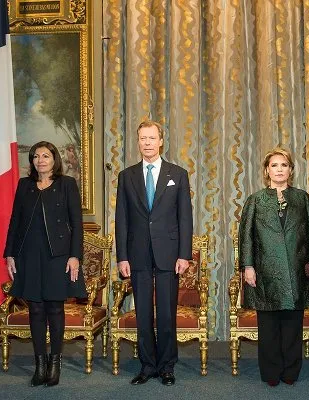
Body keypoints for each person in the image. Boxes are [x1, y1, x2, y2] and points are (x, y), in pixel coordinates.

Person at [238, 147, 309, 387]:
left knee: (292, 324)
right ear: (267, 171)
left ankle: (290, 371)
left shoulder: (301, 198)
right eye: (274, 165)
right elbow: (245, 237)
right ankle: (270, 371)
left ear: (291, 170)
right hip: (264, 271)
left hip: (296, 271)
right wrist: (247, 266)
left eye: (284, 165)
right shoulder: (255, 200)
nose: (279, 169)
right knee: (268, 326)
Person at [115, 120, 193, 386]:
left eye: (152, 138)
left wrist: (184, 255)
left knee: (167, 312)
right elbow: (121, 219)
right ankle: (147, 365)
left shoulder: (178, 174)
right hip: (137, 254)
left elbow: (185, 218)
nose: (147, 143)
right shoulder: (127, 176)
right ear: (138, 142)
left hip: (169, 255)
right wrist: (121, 256)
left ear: (161, 141)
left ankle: (167, 366)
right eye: (142, 138)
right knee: (143, 313)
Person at [4, 141, 86, 387]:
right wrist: (10, 254)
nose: (41, 160)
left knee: (54, 308)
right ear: (32, 161)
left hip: (58, 256)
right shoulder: (24, 185)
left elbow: (77, 224)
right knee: (35, 309)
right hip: (29, 255)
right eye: (36, 156)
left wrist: (75, 256)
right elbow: (15, 221)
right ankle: (40, 365)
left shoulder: (67, 184)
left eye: (46, 156)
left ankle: (55, 363)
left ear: (54, 159)